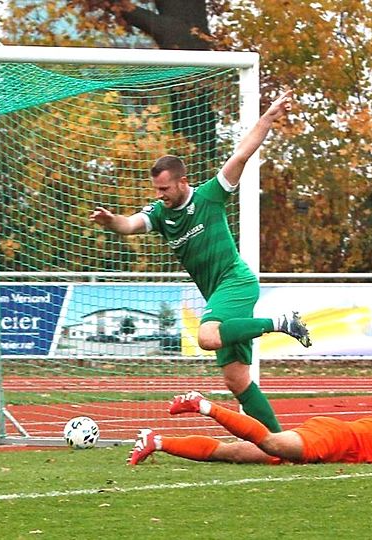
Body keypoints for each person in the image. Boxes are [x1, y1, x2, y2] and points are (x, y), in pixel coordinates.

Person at [90, 90, 310, 434]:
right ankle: (278, 443)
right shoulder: (159, 214)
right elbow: (129, 225)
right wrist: (111, 220)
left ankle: (281, 322)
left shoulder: (210, 195)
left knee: (207, 337)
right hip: (216, 293)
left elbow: (241, 154)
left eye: (164, 189)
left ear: (182, 181)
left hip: (235, 281)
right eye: (156, 189)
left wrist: (268, 116)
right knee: (236, 380)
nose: (159, 195)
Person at [127, 391, 372, 466]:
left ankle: (157, 441)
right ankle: (204, 405)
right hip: (333, 440)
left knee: (233, 453)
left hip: (331, 434)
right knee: (269, 441)